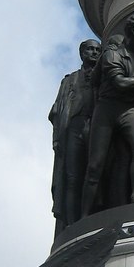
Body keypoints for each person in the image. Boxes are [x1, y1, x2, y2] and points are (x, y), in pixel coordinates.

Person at [81, 14, 134, 216]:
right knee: (95, 165)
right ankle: (84, 214)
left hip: (130, 108)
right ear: (133, 30)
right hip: (107, 109)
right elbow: (120, 83)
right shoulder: (112, 55)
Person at [49, 39, 101, 234]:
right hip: (74, 128)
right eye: (90, 49)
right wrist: (56, 138)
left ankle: (93, 215)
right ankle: (71, 223)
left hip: (96, 126)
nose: (94, 53)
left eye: (97, 50)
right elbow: (57, 111)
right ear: (82, 53)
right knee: (72, 177)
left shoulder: (103, 76)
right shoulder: (70, 80)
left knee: (94, 173)